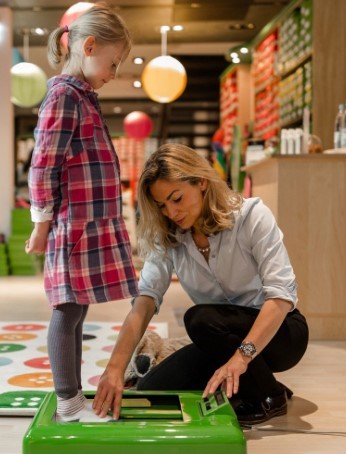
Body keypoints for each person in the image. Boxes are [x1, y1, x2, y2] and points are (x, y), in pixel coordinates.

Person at [93, 143, 309, 426]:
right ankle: (259, 381)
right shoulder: (168, 235)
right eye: (162, 205)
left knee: (199, 319)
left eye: (177, 198)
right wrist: (115, 368)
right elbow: (145, 300)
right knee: (152, 389)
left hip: (281, 334)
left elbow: (281, 298)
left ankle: (269, 396)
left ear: (201, 182)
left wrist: (241, 358)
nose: (171, 212)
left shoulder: (251, 216)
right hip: (219, 337)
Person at [25, 3, 137, 422]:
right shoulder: (64, 96)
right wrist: (41, 224)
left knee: (78, 309)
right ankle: (68, 401)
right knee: (67, 309)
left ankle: (72, 396)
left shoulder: (83, 96)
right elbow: (44, 164)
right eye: (113, 62)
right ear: (89, 47)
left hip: (88, 224)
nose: (114, 73)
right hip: (73, 227)